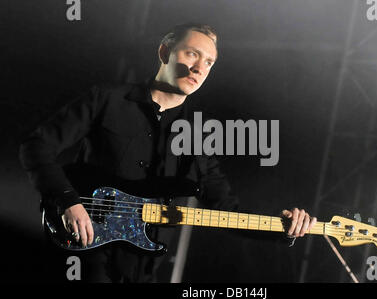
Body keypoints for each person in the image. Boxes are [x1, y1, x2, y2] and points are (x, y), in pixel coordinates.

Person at [19, 23, 317, 283]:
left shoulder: (199, 136)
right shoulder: (107, 99)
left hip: (143, 267)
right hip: (84, 252)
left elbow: (226, 210)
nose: (200, 68)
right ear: (165, 52)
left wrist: (284, 228)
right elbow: (36, 146)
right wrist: (67, 200)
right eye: (192, 54)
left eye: (210, 62)